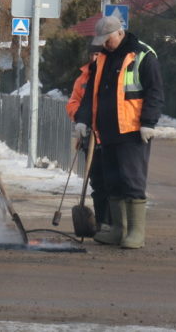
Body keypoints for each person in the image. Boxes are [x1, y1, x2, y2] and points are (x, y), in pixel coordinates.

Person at [74, 16, 164, 249]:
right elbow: (91, 93)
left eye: (108, 39)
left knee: (132, 180)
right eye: (102, 41)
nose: (105, 44)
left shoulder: (142, 55)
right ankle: (118, 230)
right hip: (106, 131)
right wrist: (82, 120)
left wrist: (148, 123)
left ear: (120, 33)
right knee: (112, 181)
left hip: (132, 131)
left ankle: (135, 233)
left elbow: (155, 92)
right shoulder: (103, 58)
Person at [66, 43, 109, 230]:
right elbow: (73, 102)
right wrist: (81, 117)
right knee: (97, 182)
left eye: (98, 54)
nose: (94, 58)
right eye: (92, 54)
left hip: (108, 137)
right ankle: (100, 222)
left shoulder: (112, 75)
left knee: (111, 181)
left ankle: (112, 222)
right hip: (89, 136)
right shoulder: (83, 78)